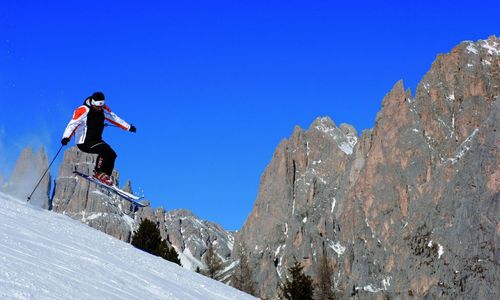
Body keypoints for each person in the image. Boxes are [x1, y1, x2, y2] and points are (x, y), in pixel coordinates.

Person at [61, 92, 136, 185]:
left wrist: (128, 127)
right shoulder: (83, 110)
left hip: (96, 140)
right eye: (98, 107)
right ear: (93, 103)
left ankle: (105, 176)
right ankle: (98, 172)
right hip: (84, 142)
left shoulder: (103, 109)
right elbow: (72, 124)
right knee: (105, 151)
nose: (100, 109)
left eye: (101, 106)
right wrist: (66, 137)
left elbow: (114, 118)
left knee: (112, 154)